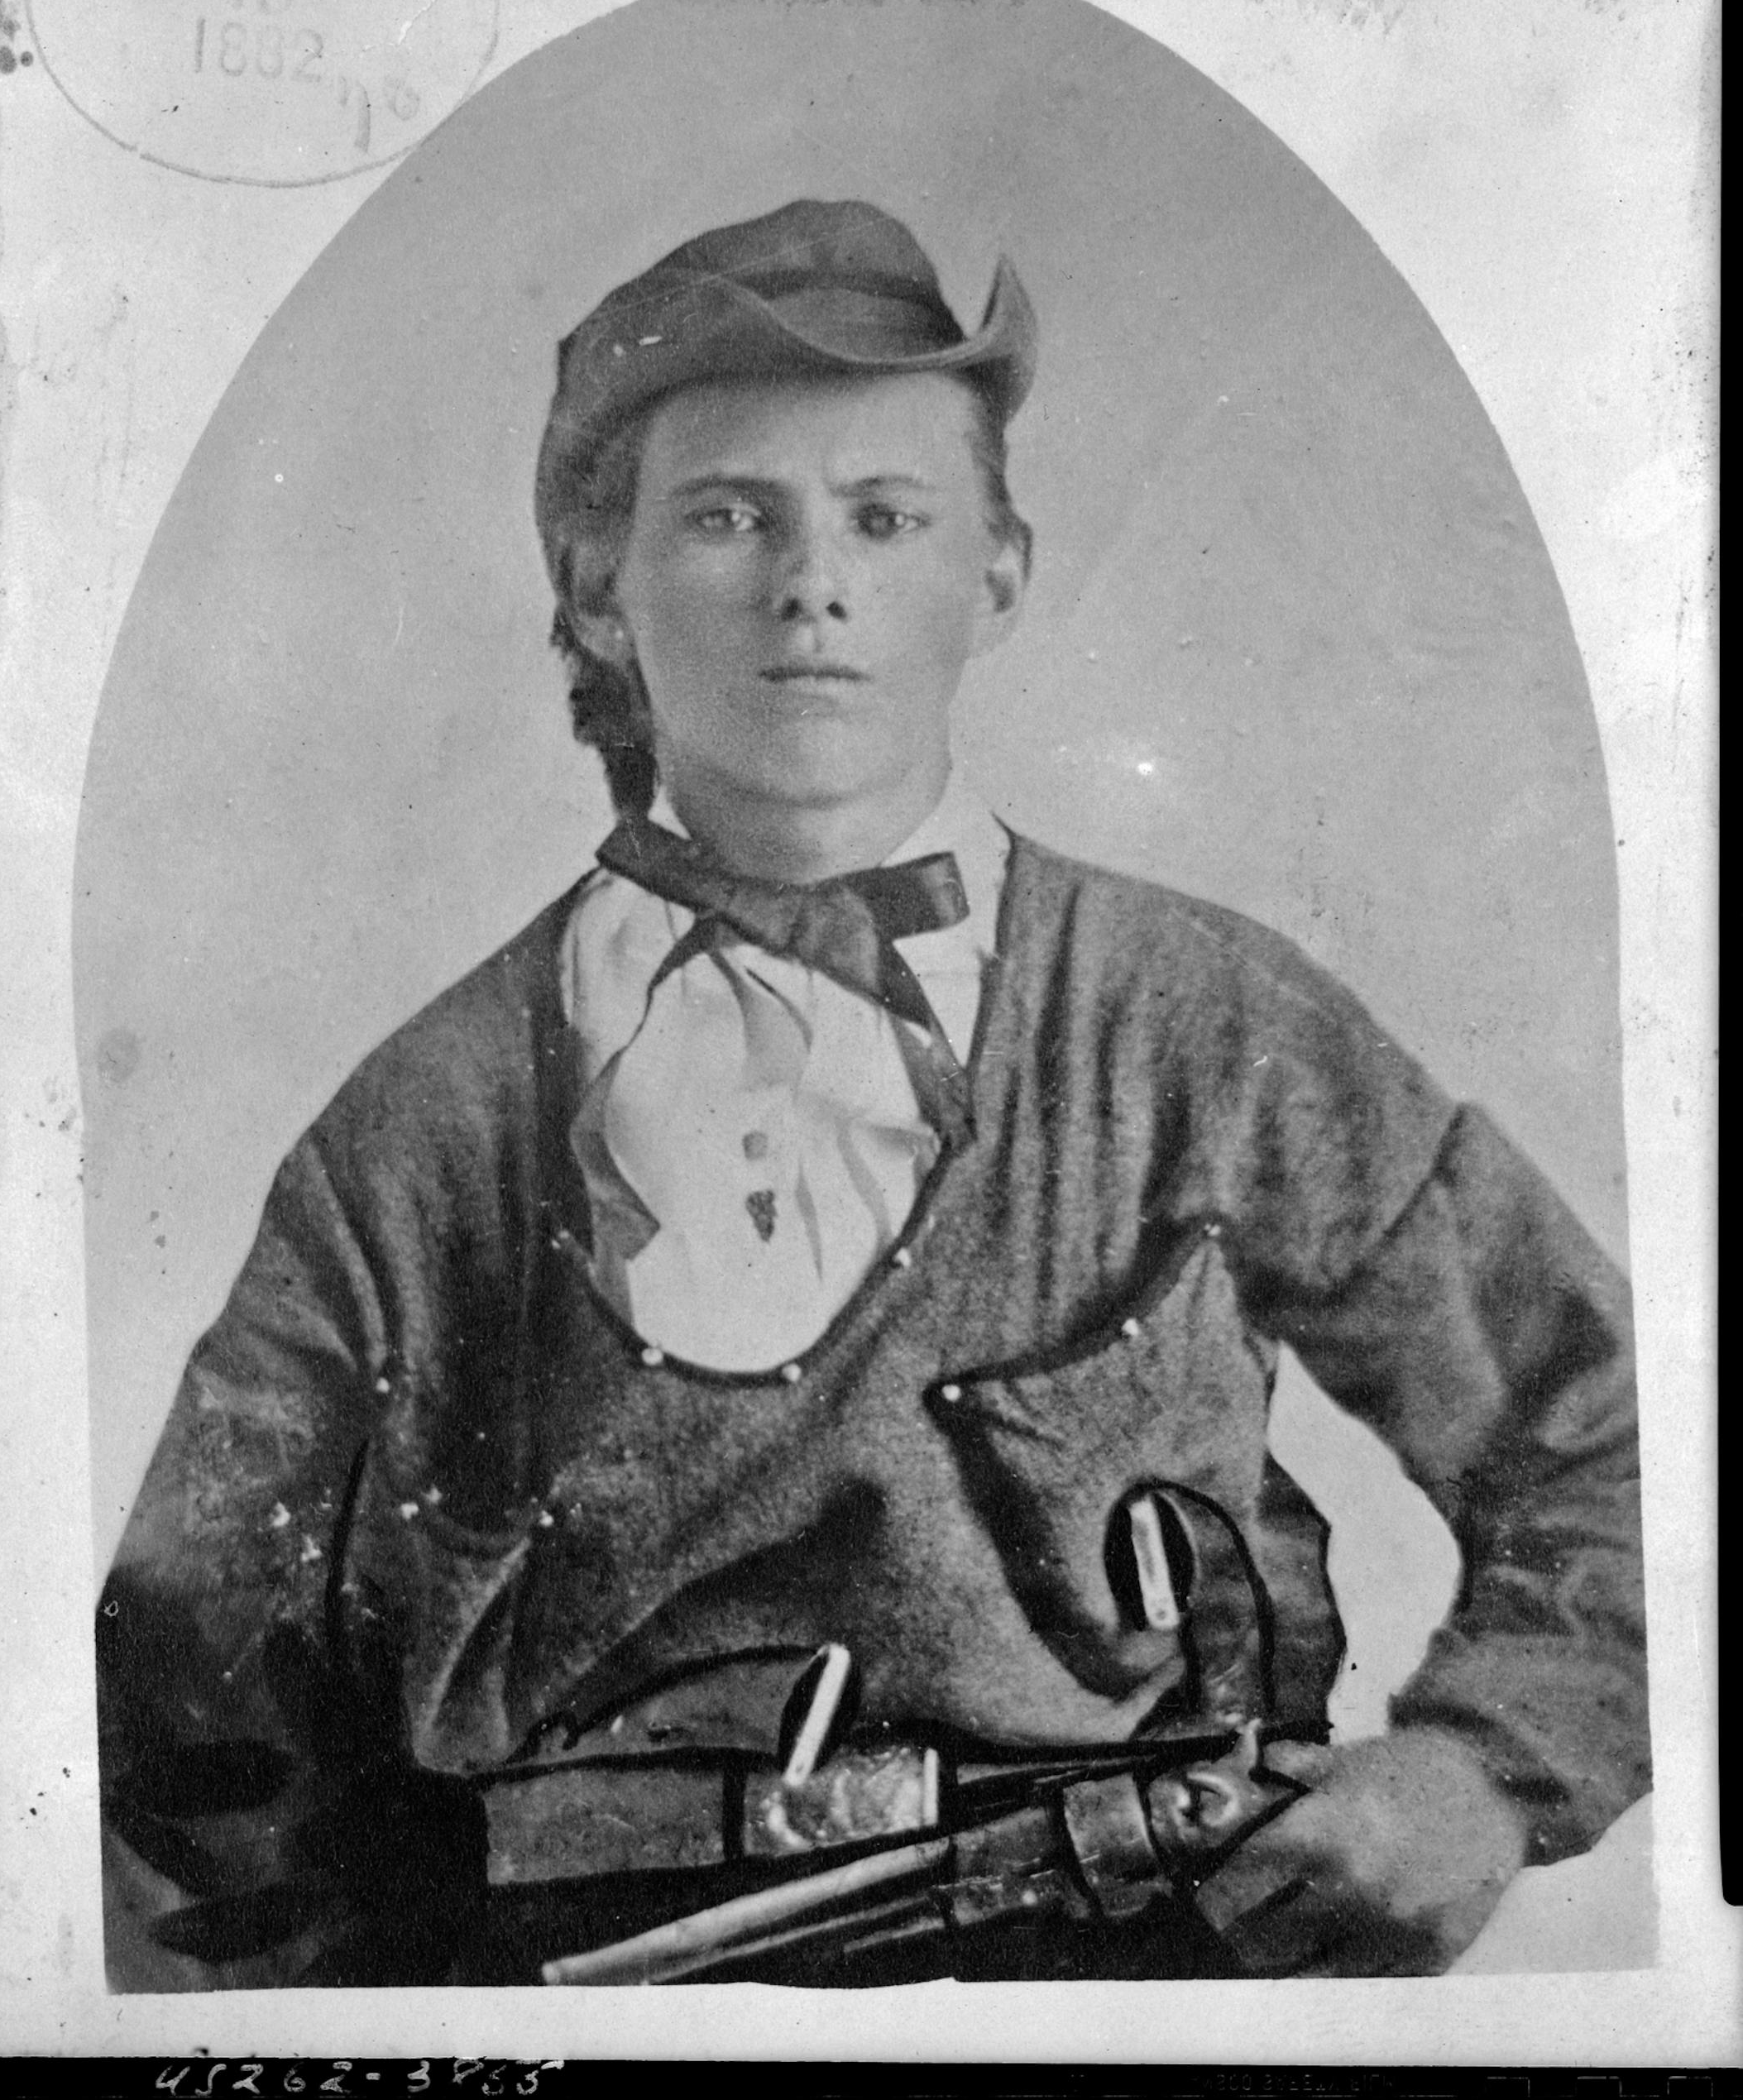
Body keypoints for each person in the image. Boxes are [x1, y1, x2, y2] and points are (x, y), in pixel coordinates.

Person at [96, 199, 1649, 1990]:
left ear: (997, 573)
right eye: (727, 514)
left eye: (885, 518)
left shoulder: (1204, 1027)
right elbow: (189, 1687)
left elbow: (1613, 1441)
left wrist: (1481, 1771)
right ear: (600, 588)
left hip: (1129, 1992)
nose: (808, 584)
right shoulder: (423, 1131)